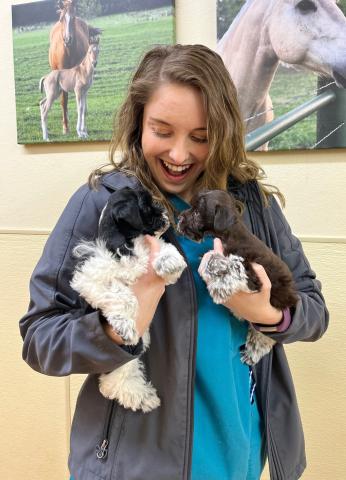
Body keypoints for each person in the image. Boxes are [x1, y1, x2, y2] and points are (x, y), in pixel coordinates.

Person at [19, 44, 328, 480]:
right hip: (132, 466)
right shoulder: (100, 204)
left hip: (239, 459)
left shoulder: (253, 205)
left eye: (200, 137)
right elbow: (39, 337)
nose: (180, 155)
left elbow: (314, 308)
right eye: (162, 131)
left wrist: (266, 313)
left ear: (221, 133)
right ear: (138, 123)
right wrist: (119, 327)